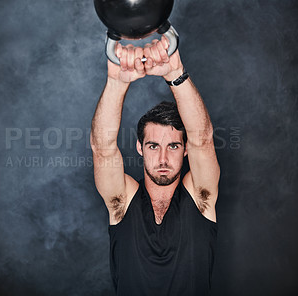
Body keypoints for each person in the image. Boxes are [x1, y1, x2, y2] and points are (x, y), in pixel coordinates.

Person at [90, 37, 220, 295]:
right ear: (139, 148)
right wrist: (117, 82)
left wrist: (175, 73)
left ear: (185, 150)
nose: (163, 158)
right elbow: (102, 149)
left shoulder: (200, 196)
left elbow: (202, 140)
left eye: (172, 146)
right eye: (153, 146)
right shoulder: (123, 200)